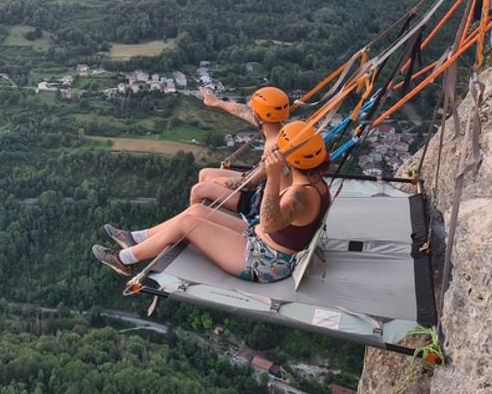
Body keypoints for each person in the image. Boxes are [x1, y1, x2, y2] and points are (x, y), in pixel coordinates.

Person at [94, 121, 330, 284]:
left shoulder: (299, 196)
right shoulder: (315, 184)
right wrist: (278, 167)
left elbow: (269, 223)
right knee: (197, 210)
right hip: (261, 240)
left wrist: (274, 174)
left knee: (188, 224)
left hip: (264, 262)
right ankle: (136, 238)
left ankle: (124, 260)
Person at [190, 86, 291, 217]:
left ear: (257, 115)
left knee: (198, 190)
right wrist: (216, 102)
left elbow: (248, 184)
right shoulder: (281, 129)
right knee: (205, 173)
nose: (251, 112)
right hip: (263, 185)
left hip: (261, 201)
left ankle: (196, 221)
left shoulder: (275, 149)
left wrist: (217, 181)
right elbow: (243, 111)